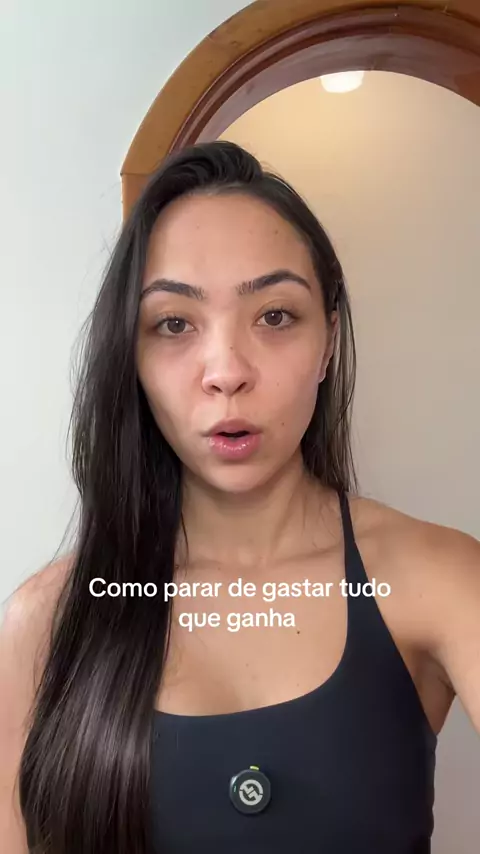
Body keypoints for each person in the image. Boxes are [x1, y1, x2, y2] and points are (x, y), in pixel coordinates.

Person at [1, 140, 479, 854]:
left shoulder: (439, 578)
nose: (226, 371)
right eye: (174, 324)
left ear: (328, 343)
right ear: (130, 354)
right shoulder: (46, 621)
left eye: (275, 316)